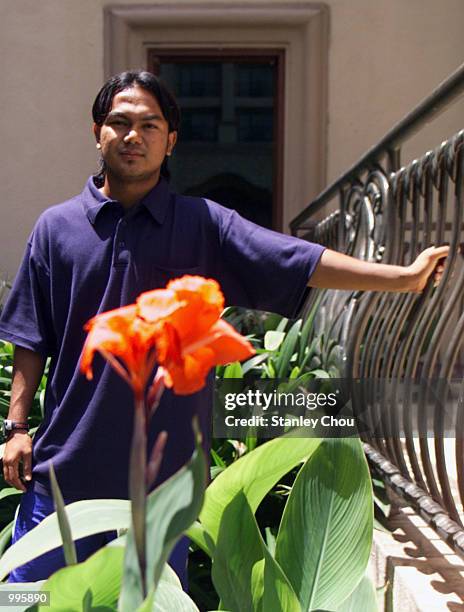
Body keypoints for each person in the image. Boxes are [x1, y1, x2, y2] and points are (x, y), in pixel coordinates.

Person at [0, 71, 448, 587]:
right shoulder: (56, 228)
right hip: (65, 474)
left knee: (153, 605)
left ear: (170, 141)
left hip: (161, 488)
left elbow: (299, 259)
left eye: (150, 125)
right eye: (119, 123)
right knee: (23, 597)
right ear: (97, 132)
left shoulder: (204, 225)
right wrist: (15, 428)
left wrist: (405, 278)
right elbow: (31, 337)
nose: (133, 136)